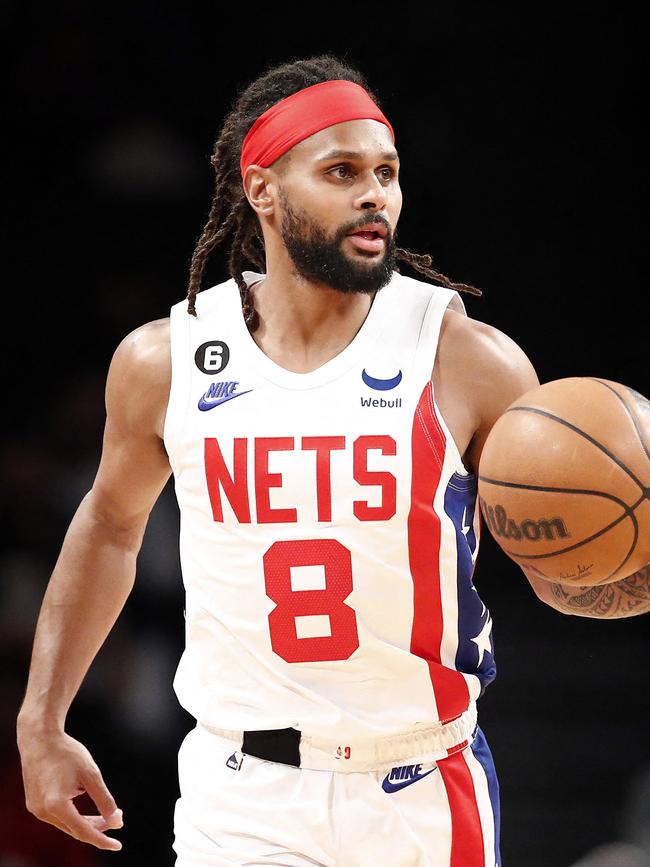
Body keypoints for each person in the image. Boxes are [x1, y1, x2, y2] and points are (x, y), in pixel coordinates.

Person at [16, 54, 650, 867]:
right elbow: (108, 525)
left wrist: (626, 557)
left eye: (386, 172)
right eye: (342, 170)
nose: (373, 194)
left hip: (422, 789)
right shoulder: (166, 361)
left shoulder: (468, 362)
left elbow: (560, 574)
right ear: (263, 191)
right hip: (240, 796)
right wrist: (42, 720)